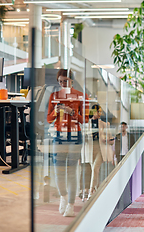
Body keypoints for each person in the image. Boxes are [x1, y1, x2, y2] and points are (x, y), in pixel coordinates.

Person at [46, 69, 89, 217]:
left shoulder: (81, 96)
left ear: (71, 80)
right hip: (59, 136)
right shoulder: (54, 96)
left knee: (71, 172)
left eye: (65, 81)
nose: (62, 84)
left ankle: (71, 204)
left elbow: (85, 120)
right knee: (58, 172)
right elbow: (49, 119)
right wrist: (56, 112)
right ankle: (63, 197)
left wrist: (72, 112)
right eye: (60, 81)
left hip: (75, 137)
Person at [88, 104, 115, 199]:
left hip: (101, 149)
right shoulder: (87, 124)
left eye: (100, 111)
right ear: (93, 112)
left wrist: (106, 139)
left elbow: (111, 140)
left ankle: (91, 191)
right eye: (98, 111)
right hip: (90, 149)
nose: (100, 113)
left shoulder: (104, 124)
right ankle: (97, 190)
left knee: (95, 168)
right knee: (95, 171)